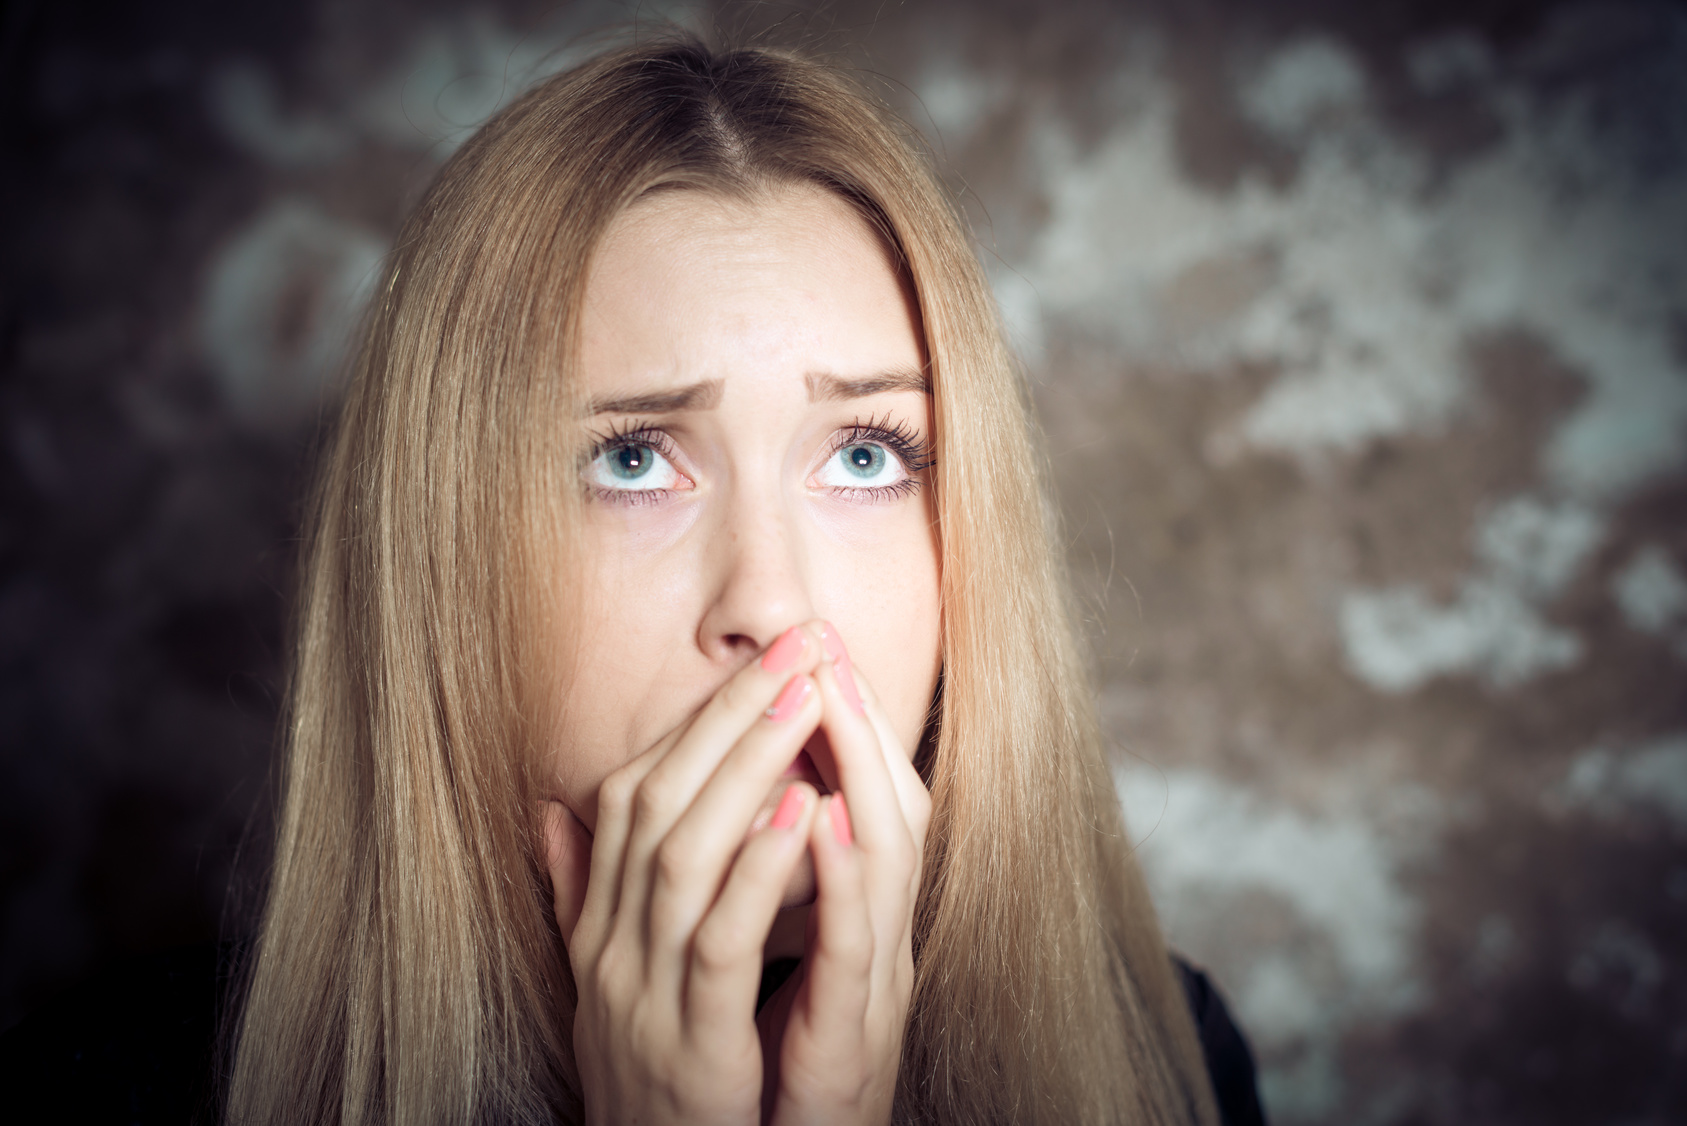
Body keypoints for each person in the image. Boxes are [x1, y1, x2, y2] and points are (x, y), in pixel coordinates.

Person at [217, 35, 1265, 1126]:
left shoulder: (1169, 1065)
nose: (772, 608)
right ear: (443, 550)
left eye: (865, 455)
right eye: (632, 460)